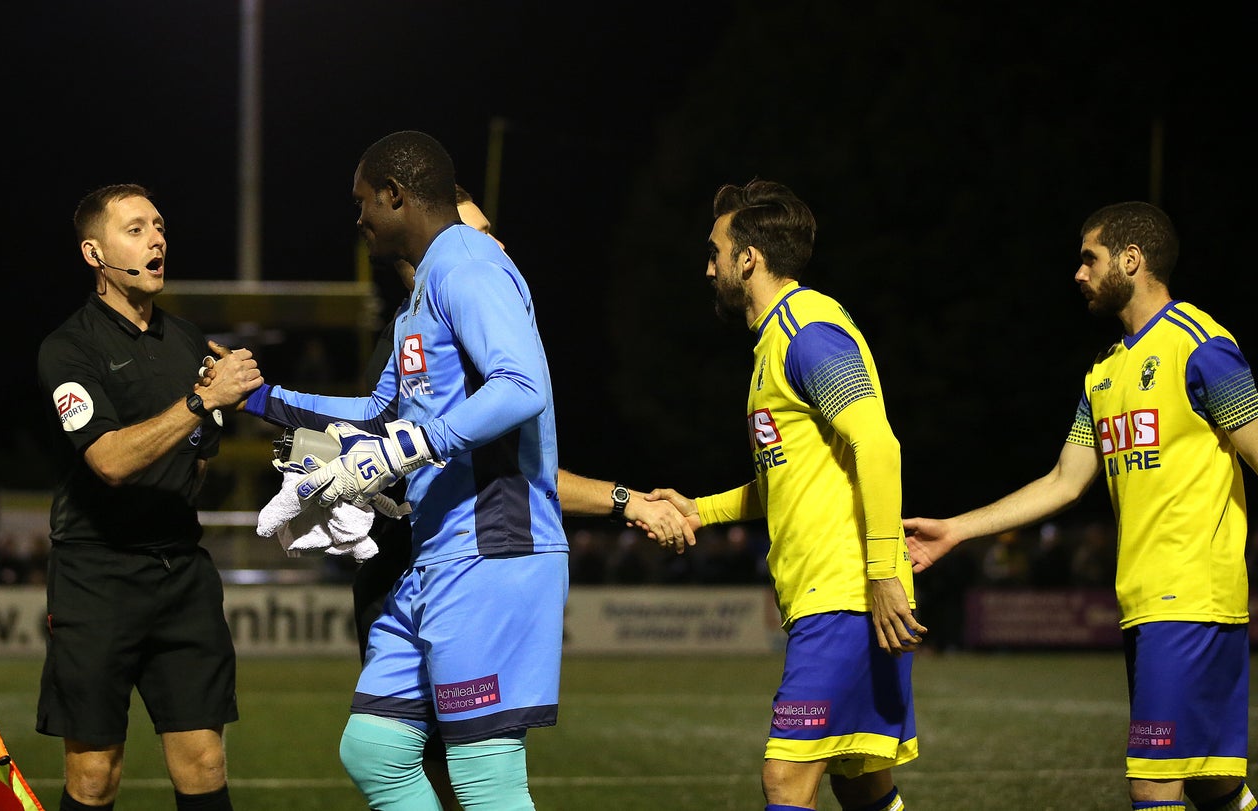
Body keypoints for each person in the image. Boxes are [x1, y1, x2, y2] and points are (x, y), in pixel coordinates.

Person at [238, 129, 600, 810]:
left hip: (490, 548)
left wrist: (410, 447)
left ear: (395, 195)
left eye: (363, 201)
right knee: (374, 749)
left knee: (484, 778)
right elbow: (378, 413)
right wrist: (261, 400)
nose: (359, 218)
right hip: (437, 558)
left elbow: (522, 384)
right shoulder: (422, 292)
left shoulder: (467, 264)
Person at [904, 201, 1258, 811]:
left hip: (1192, 597)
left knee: (1154, 781)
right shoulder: (1104, 372)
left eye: (1089, 258)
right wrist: (957, 530)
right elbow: (1065, 481)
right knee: (1215, 783)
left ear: (1132, 259)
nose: (1079, 273)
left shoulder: (1200, 347)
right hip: (1144, 603)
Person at [349, 182, 692, 810]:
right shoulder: (409, 345)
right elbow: (376, 451)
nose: (495, 246)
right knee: (400, 758)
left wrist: (626, 500)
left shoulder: (477, 329)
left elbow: (523, 472)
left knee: (468, 774)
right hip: (412, 577)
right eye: (477, 235)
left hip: (471, 569)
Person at [650, 179, 925, 811]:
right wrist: (699, 510)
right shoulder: (776, 341)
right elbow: (785, 478)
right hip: (834, 596)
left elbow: (878, 446)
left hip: (848, 597)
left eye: (717, 249)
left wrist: (882, 571)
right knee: (861, 782)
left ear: (748, 259)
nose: (710, 264)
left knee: (786, 780)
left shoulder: (807, 333)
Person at [35, 183, 263, 811]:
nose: (157, 239)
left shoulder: (188, 340)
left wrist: (219, 410)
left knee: (205, 760)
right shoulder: (68, 348)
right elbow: (107, 460)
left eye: (159, 227)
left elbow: (202, 454)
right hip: (96, 576)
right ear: (94, 253)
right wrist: (200, 403)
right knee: (94, 774)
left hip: (180, 574)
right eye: (135, 230)